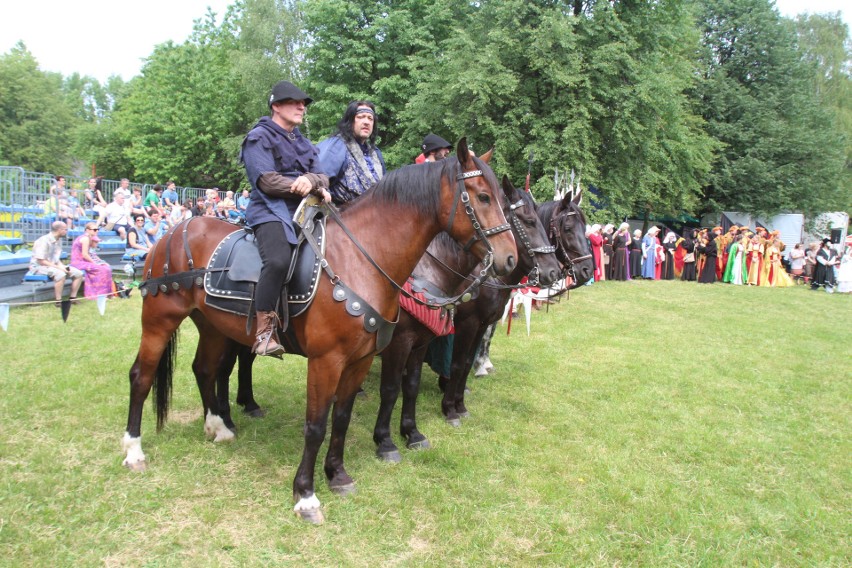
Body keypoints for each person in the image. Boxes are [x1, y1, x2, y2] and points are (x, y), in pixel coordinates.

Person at [240, 80, 331, 356]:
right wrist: (299, 185)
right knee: (278, 260)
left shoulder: (303, 142)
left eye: (303, 103)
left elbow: (324, 176)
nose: (302, 106)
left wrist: (311, 180)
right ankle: (264, 332)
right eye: (294, 102)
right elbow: (266, 181)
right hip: (269, 210)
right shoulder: (259, 136)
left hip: (306, 211)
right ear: (276, 106)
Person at [317, 100, 386, 205]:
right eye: (361, 117)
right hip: (341, 216)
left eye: (370, 118)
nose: (366, 122)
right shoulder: (336, 146)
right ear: (350, 121)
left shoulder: (376, 153)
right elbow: (318, 181)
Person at [29, 221, 83, 305]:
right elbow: (41, 260)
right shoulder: (43, 241)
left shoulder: (58, 241)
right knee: (60, 274)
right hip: (38, 267)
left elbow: (56, 259)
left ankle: (73, 298)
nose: (67, 231)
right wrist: (59, 268)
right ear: (59, 230)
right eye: (65, 229)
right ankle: (58, 301)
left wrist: (62, 266)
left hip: (53, 264)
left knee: (78, 273)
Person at [70, 222, 113, 299]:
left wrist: (100, 261)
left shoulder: (89, 238)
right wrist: (95, 263)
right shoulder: (85, 238)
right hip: (79, 262)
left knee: (107, 267)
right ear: (87, 230)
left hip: (84, 261)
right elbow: (85, 254)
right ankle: (95, 294)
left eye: (97, 230)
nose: (96, 231)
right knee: (99, 269)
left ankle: (106, 293)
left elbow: (92, 253)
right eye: (94, 230)